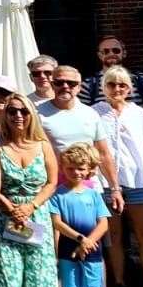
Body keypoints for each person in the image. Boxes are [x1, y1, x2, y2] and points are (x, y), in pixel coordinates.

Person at [0, 91, 60, 287]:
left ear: (31, 114)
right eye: (12, 111)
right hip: (5, 215)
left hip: (35, 214)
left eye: (23, 111)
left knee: (39, 274)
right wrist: (9, 206)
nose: (18, 116)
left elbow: (52, 182)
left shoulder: (43, 146)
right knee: (8, 274)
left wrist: (31, 206)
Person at [94, 65, 143, 287]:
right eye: (111, 84)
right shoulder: (94, 113)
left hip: (139, 181)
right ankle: (120, 285)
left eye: (122, 85)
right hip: (105, 184)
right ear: (104, 87)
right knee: (113, 237)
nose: (117, 89)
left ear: (130, 88)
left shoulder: (142, 115)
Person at [38, 67, 119, 211]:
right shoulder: (37, 113)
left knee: (94, 232)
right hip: (53, 189)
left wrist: (115, 188)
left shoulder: (90, 113)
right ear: (51, 84)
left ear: (79, 87)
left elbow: (103, 153)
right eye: (59, 82)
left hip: (88, 187)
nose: (65, 87)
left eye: (71, 83)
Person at [49, 142, 110, 287]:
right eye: (70, 168)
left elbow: (103, 224)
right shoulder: (57, 195)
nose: (76, 172)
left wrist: (89, 242)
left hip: (93, 250)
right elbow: (57, 223)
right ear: (63, 168)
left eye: (80, 168)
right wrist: (80, 239)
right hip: (68, 249)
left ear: (88, 169)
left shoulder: (93, 195)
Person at [80, 37, 143, 110]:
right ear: (100, 55)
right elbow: (83, 116)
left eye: (116, 50)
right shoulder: (88, 84)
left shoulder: (141, 79)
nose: (111, 54)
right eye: (106, 51)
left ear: (124, 53)